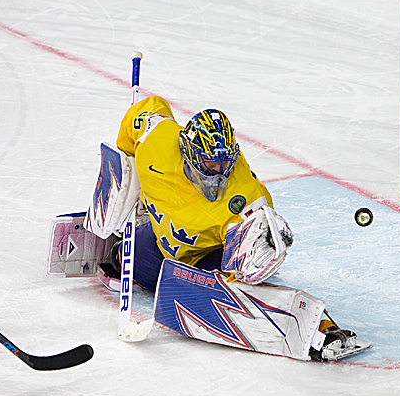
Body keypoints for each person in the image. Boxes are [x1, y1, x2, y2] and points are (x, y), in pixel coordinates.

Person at [105, 94, 292, 291]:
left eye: (226, 163)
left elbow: (259, 215)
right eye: (211, 164)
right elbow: (143, 111)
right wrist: (129, 165)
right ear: (189, 153)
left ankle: (227, 285)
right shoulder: (156, 140)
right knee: (126, 256)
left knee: (216, 284)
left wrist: (268, 236)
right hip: (166, 242)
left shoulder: (243, 194)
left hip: (207, 258)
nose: (219, 173)